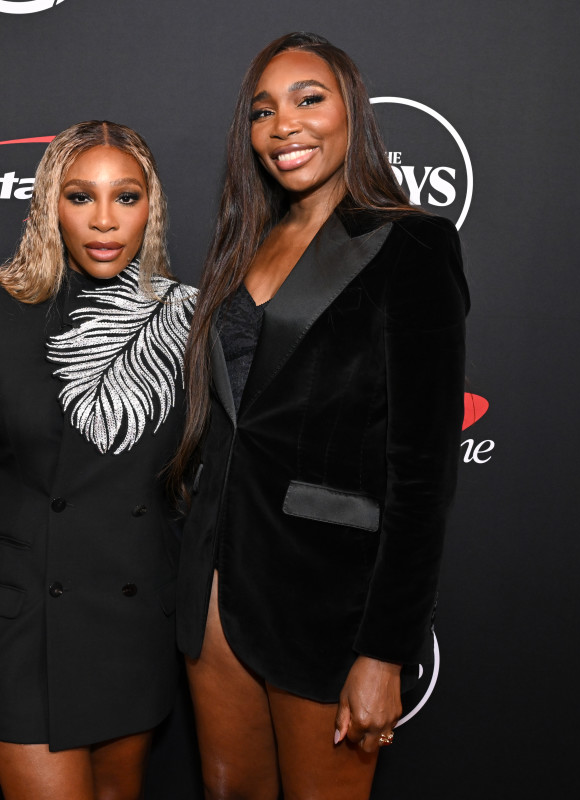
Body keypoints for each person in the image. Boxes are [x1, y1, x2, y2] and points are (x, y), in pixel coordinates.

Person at [167, 32, 470, 800]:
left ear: (351, 112)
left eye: (308, 99)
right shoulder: (245, 243)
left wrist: (384, 652)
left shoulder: (411, 245)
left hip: (325, 598)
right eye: (262, 111)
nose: (284, 125)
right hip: (212, 587)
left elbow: (422, 474)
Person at [0, 120, 197, 800]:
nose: (104, 220)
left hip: (132, 622)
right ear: (50, 205)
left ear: (150, 207)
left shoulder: (185, 319)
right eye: (80, 196)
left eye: (125, 197)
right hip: (23, 626)